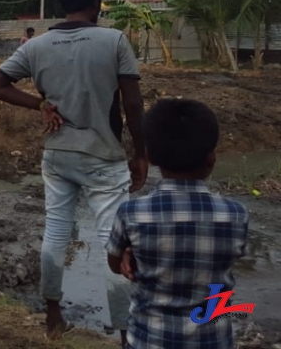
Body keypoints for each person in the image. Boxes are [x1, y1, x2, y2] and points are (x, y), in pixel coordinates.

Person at [0, 0, 147, 345]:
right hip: (104, 156)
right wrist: (141, 153)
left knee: (56, 232)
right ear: (95, 3)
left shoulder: (37, 46)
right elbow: (133, 104)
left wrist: (40, 104)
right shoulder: (114, 40)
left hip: (57, 154)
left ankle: (53, 319)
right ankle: (125, 332)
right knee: (113, 242)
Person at [106, 98, 250, 349]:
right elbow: (229, 257)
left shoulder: (131, 213)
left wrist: (131, 252)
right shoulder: (236, 215)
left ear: (149, 157)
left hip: (148, 341)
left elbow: (115, 264)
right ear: (211, 159)